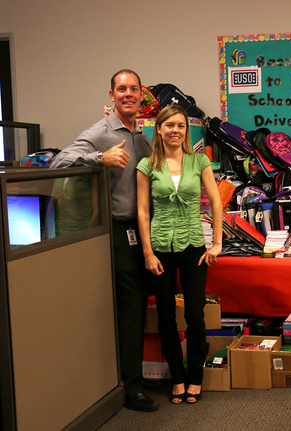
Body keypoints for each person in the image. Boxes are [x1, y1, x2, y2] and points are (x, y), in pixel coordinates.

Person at [50, 69, 159, 412]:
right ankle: (130, 388)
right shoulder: (100, 133)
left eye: (134, 89)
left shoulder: (141, 137)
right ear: (111, 96)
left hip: (141, 233)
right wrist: (101, 158)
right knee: (129, 310)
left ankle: (128, 380)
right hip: (115, 233)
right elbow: (58, 162)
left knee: (136, 308)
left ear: (141, 96)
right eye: (121, 89)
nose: (128, 94)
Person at [136, 105, 223, 405]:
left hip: (193, 247)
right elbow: (143, 211)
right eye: (170, 125)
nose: (176, 130)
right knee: (165, 317)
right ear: (158, 129)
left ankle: (195, 377)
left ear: (187, 131)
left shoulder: (199, 161)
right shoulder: (147, 165)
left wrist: (217, 243)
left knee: (195, 315)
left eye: (181, 126)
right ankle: (177, 377)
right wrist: (147, 253)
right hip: (160, 248)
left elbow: (216, 202)